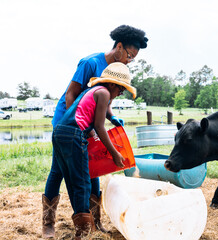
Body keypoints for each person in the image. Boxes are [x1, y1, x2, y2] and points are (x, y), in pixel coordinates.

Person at [42, 25, 148, 238]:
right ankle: (48, 224)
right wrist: (88, 129)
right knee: (59, 171)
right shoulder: (91, 63)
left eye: (133, 59)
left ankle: (94, 222)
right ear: (119, 47)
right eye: (129, 55)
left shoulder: (115, 71)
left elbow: (103, 98)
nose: (129, 61)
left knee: (93, 169)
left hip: (87, 123)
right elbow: (73, 95)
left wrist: (111, 116)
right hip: (69, 122)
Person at [53, 62, 136, 239]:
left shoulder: (93, 90)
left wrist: (113, 119)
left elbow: (97, 114)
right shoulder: (105, 93)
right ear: (112, 84)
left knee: (72, 181)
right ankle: (84, 234)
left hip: (59, 133)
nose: (120, 93)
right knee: (83, 182)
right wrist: (114, 153)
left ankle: (84, 227)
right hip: (75, 134)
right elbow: (99, 126)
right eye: (121, 89)